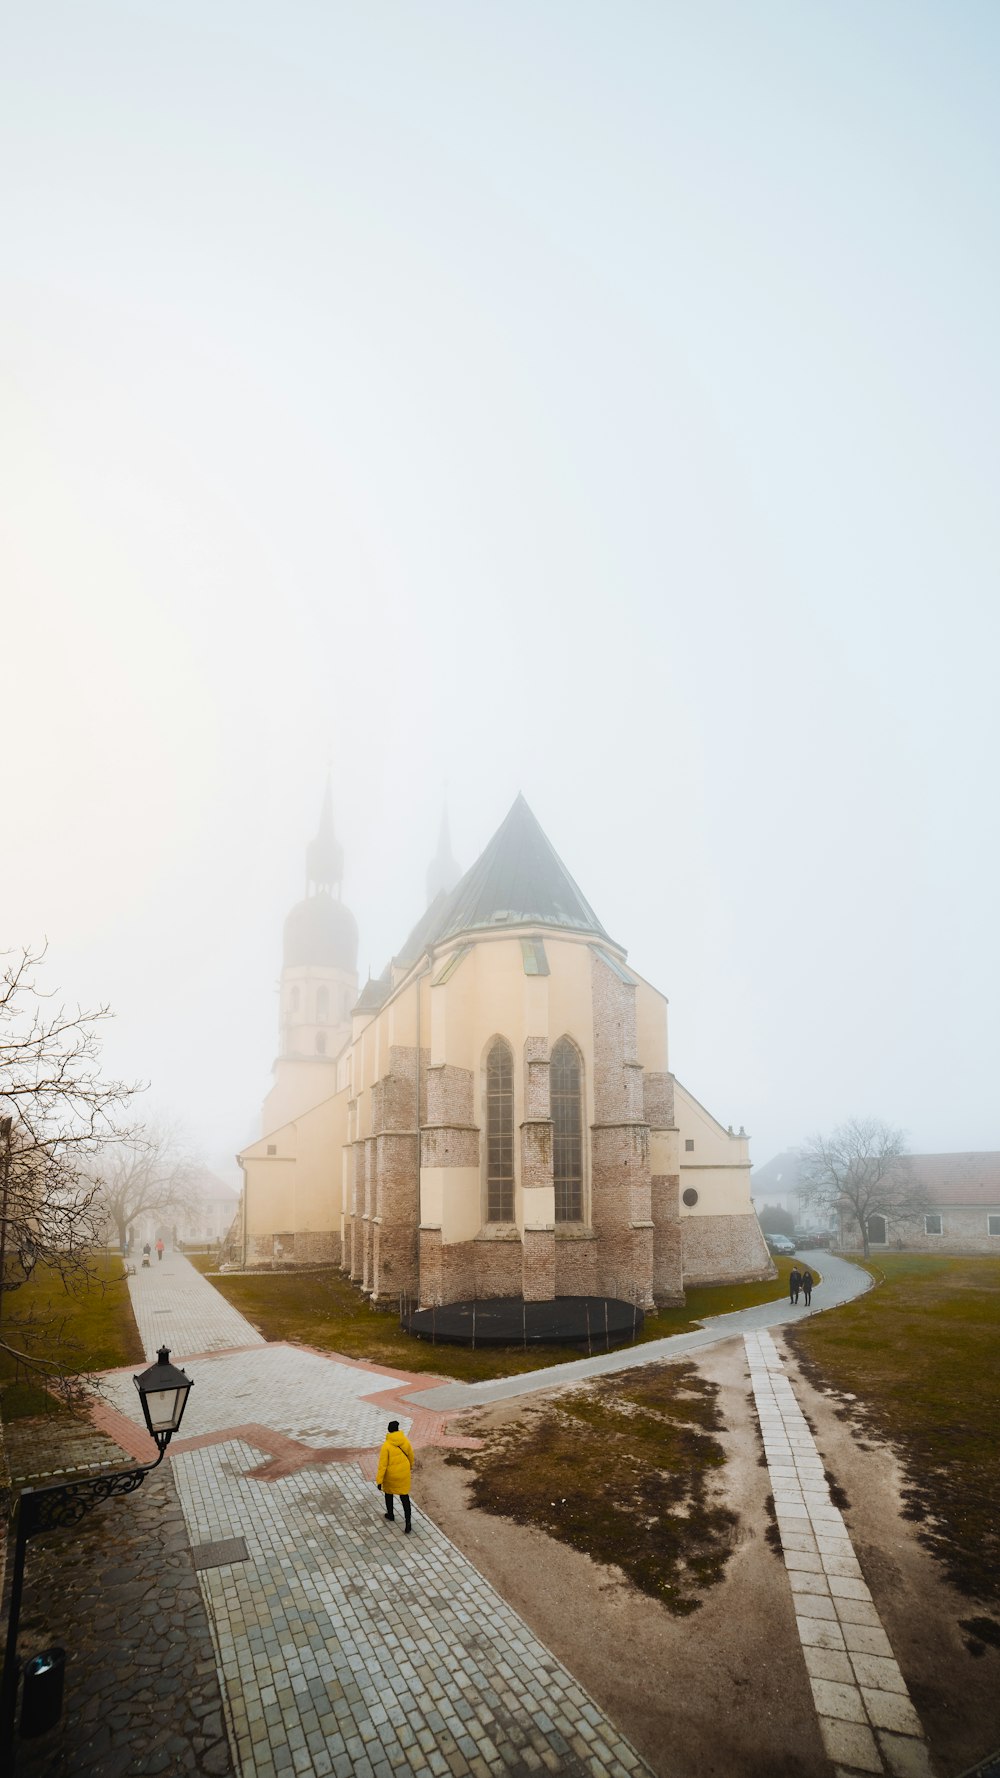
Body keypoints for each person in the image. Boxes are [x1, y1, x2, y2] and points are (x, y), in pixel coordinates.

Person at [376, 1420, 415, 1533]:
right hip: (403, 1474)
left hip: (391, 1476)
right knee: (404, 1497)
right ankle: (408, 1522)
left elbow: (382, 1465)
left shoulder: (386, 1446)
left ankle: (391, 1514)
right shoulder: (405, 1441)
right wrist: (408, 1468)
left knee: (388, 1494)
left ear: (389, 1430)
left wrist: (379, 1481)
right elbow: (411, 1456)